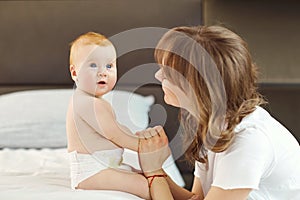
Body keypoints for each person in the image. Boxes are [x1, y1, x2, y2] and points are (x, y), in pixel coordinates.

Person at [137, 25, 300, 200]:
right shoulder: (211, 122)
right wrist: (153, 170)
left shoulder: (249, 141)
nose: (157, 76)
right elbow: (197, 198)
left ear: (199, 87)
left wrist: (154, 172)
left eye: (168, 73)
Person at [66, 32, 151, 199]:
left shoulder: (97, 102)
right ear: (75, 73)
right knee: (142, 184)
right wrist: (145, 147)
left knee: (145, 176)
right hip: (90, 171)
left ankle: (188, 197)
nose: (102, 72)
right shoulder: (86, 103)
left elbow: (116, 129)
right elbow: (114, 135)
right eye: (92, 65)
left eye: (109, 66)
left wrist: (136, 137)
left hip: (107, 165)